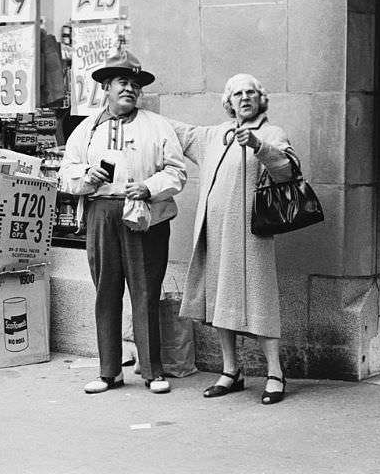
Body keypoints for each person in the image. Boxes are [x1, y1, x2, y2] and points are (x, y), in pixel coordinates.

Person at [59, 50, 187, 394]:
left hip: (145, 215)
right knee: (106, 291)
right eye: (122, 83)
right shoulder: (86, 130)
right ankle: (109, 372)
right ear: (105, 87)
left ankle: (152, 371)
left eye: (134, 84)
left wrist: (149, 186)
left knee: (145, 292)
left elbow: (178, 172)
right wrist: (89, 176)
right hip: (102, 213)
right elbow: (66, 176)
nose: (129, 89)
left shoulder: (156, 126)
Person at [170, 73, 295, 405]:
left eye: (250, 92)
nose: (244, 97)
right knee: (219, 301)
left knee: (260, 300)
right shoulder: (215, 134)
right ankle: (231, 371)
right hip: (216, 232)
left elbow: (286, 171)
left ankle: (274, 373)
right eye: (237, 93)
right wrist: (138, 112)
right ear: (228, 102)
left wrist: (257, 145)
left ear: (260, 99)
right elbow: (177, 131)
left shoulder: (272, 133)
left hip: (251, 236)